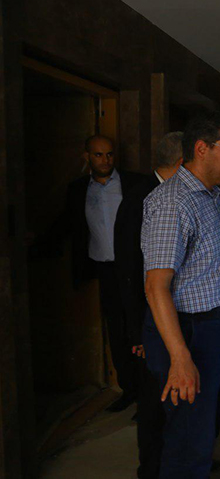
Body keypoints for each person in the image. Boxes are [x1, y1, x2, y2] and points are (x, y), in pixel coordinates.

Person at [141, 113, 220, 478]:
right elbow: (156, 286)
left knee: (201, 425)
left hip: (212, 326)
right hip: (189, 331)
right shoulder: (173, 202)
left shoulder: (208, 195)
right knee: (188, 435)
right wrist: (180, 356)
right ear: (202, 148)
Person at [41, 135, 146, 412]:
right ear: (87, 156)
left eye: (109, 154)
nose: (105, 160)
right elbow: (67, 222)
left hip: (134, 267)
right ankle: (129, 390)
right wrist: (35, 245)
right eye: (98, 155)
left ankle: (148, 396)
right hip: (105, 268)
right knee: (117, 331)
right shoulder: (78, 189)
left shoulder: (134, 183)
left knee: (140, 328)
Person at [115, 131, 183, 479]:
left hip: (175, 313)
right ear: (183, 162)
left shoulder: (181, 195)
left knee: (178, 398)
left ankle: (180, 460)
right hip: (149, 320)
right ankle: (152, 470)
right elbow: (129, 270)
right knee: (154, 402)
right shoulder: (141, 198)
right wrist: (137, 331)